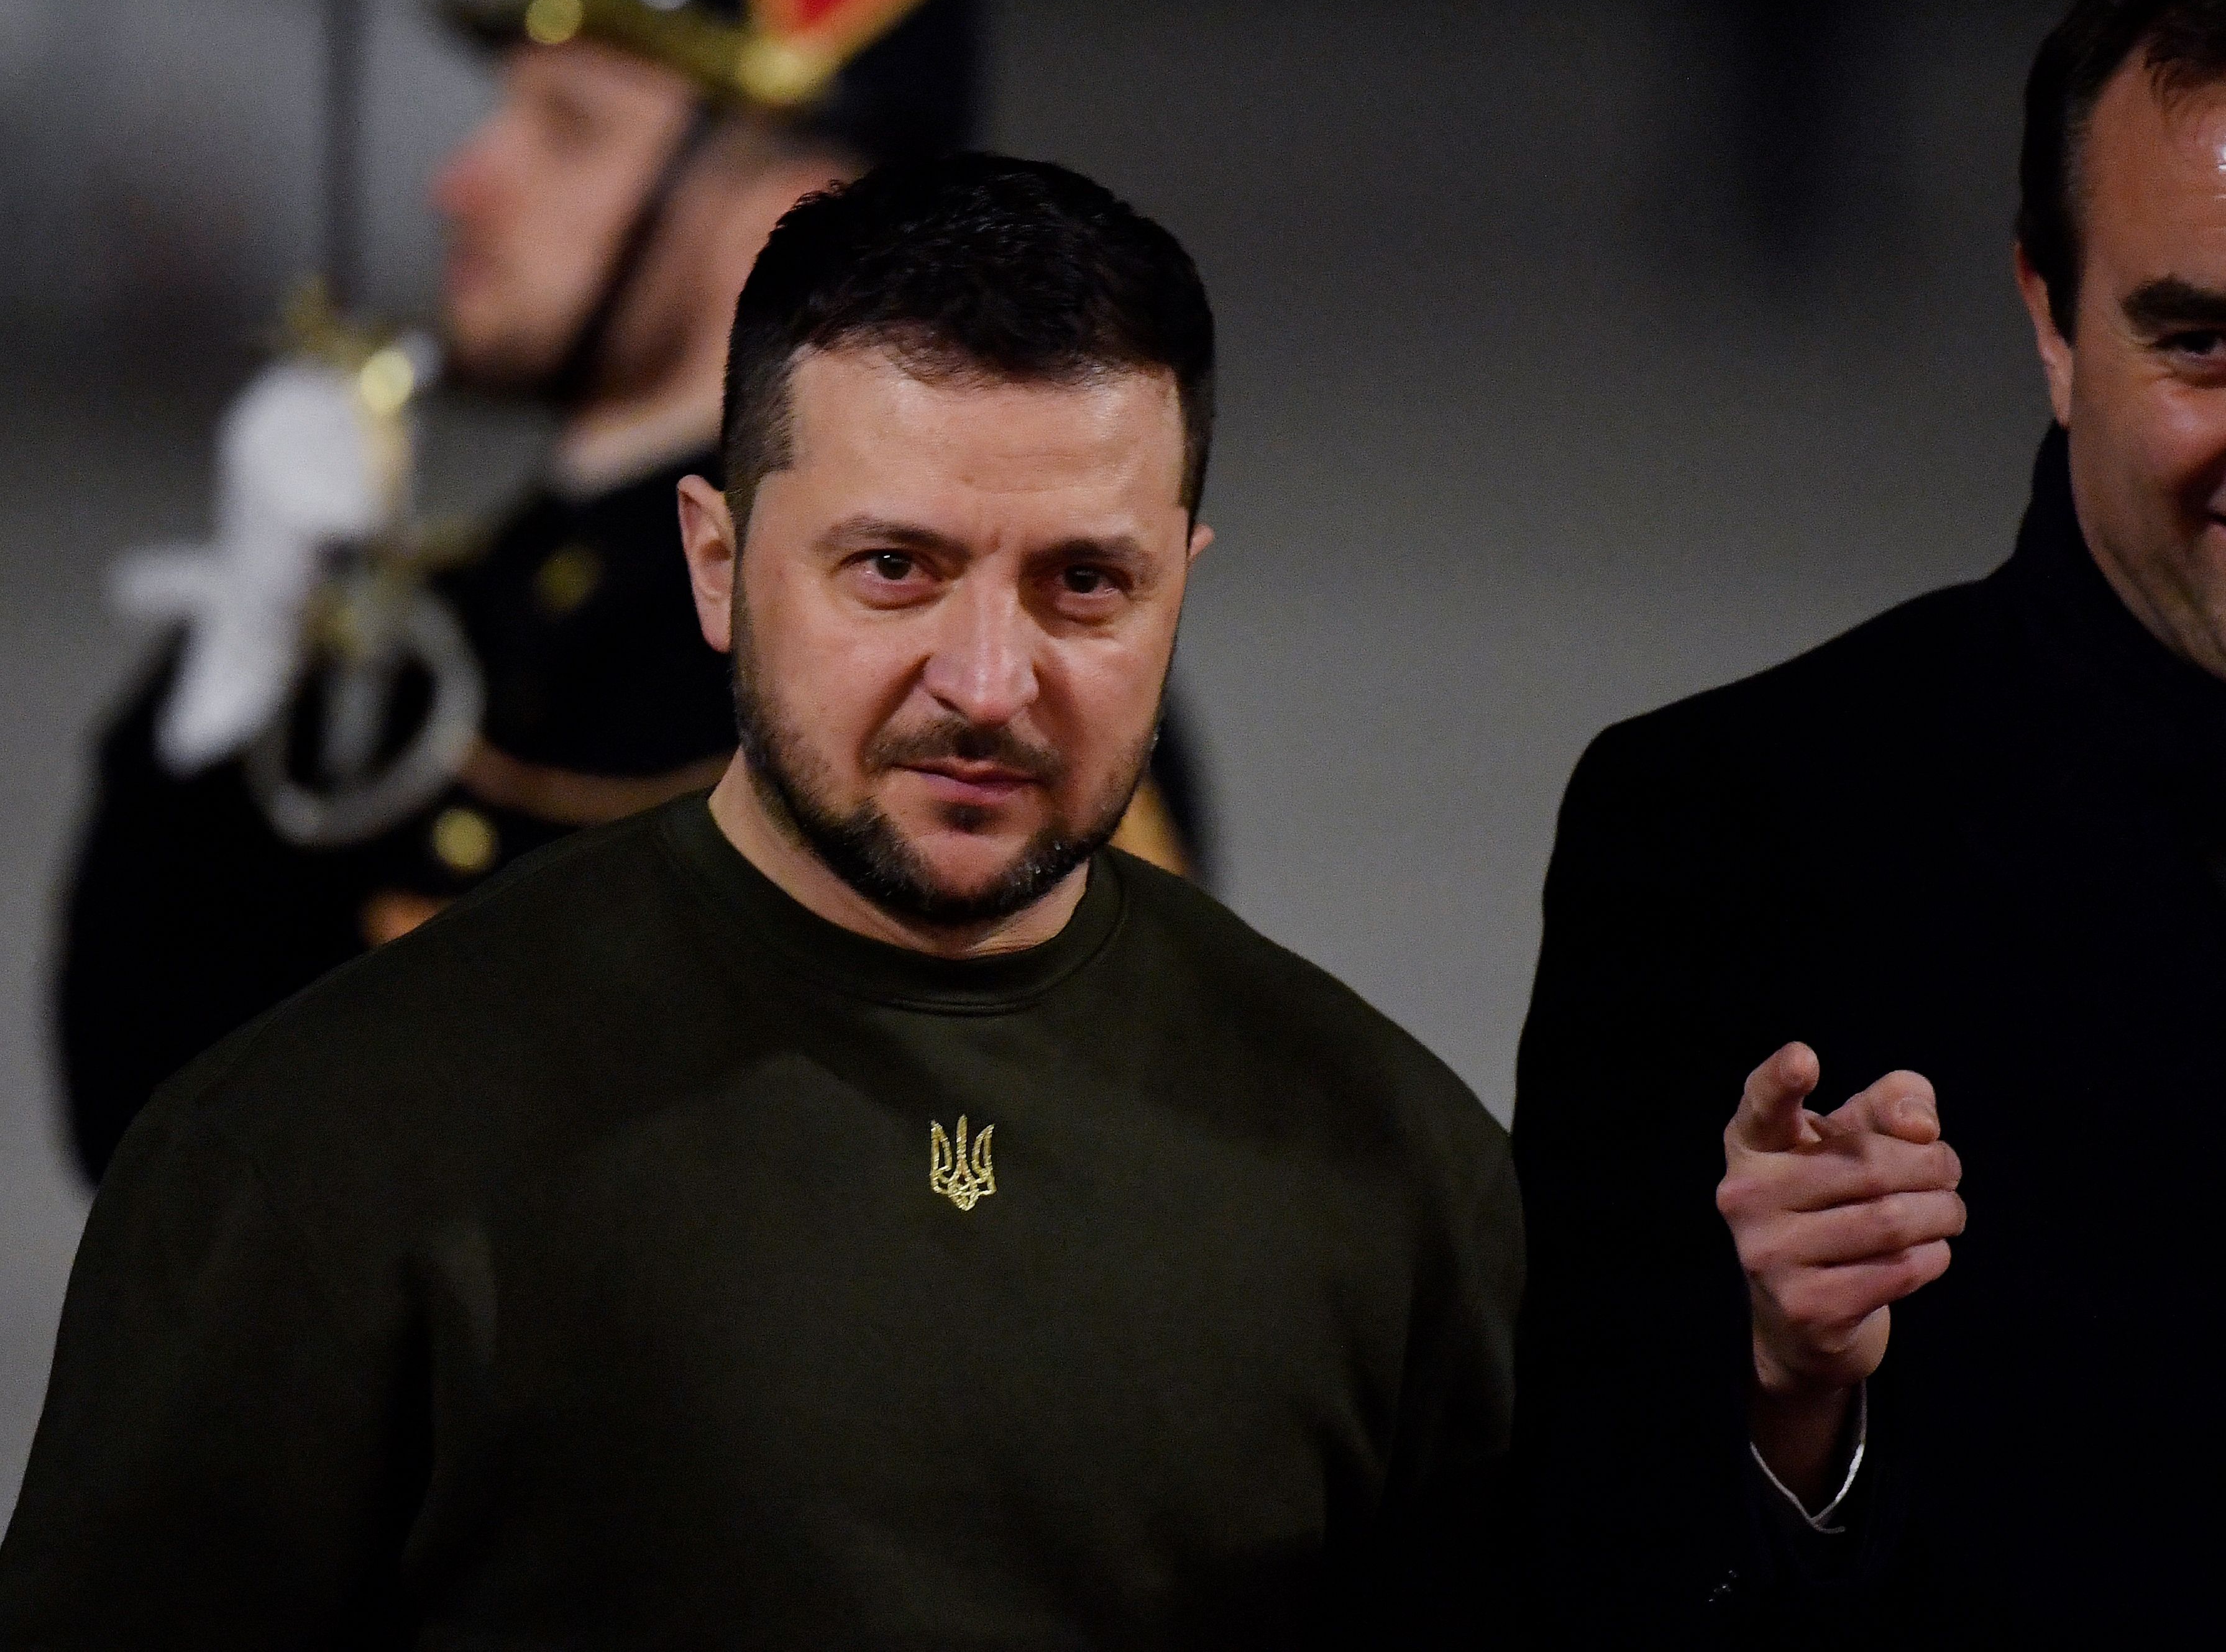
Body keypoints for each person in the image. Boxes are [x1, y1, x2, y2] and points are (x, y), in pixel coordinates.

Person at [0, 154, 1518, 1648]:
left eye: (1085, 585)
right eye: (895, 568)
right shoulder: (316, 1154)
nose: (988, 681)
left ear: (1181, 582)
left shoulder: (1396, 1167)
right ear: (716, 562)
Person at [1513, 0, 2226, 1642]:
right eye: (2204, 340)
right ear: (2051, 326)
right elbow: (1577, 1585)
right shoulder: (1720, 833)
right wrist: (1782, 1405)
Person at [55, 0, 1198, 1189]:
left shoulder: (957, 686)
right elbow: (154, 1142)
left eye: (572, 129)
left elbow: (1018, 1178)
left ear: (799, 213)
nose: (463, 181)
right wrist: (244, 668)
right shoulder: (467, 616)